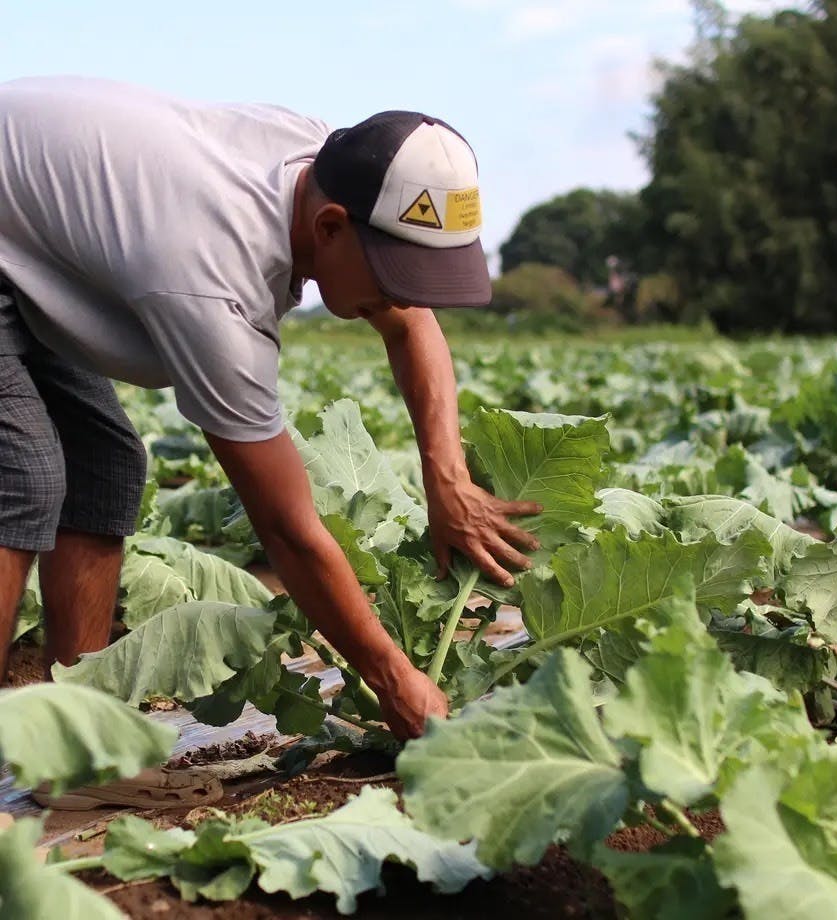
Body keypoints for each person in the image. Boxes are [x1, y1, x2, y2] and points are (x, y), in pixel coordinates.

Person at [0, 76, 541, 741]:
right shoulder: (211, 281)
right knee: (24, 479)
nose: (404, 300)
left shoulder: (327, 163)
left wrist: (447, 478)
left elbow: (412, 326)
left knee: (107, 466)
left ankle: (69, 740)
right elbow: (286, 529)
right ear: (330, 228)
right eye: (396, 279)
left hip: (28, 225)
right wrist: (392, 677)